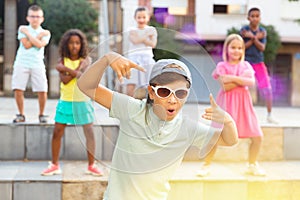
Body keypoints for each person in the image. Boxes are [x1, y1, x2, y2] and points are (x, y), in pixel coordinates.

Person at [77, 51, 238, 199]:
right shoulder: (132, 110)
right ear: (152, 92)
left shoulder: (187, 128)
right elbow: (85, 85)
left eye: (180, 93)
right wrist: (107, 58)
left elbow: (228, 140)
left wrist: (228, 121)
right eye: (164, 92)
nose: (173, 99)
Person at [197, 34, 266, 177]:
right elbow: (225, 86)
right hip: (226, 104)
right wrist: (241, 81)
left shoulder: (246, 65)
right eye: (233, 47)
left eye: (240, 48)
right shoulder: (222, 66)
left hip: (244, 105)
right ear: (226, 49)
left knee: (257, 136)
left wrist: (231, 78)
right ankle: (206, 165)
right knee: (215, 135)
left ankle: (252, 165)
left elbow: (251, 82)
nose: (236, 51)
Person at [41, 29, 102, 176]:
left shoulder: (86, 61)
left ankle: (91, 165)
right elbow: (65, 80)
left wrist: (67, 70)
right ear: (66, 45)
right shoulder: (62, 60)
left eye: (77, 43)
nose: (74, 46)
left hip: (83, 101)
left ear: (81, 45)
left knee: (89, 133)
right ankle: (55, 165)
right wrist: (75, 70)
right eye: (71, 43)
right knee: (57, 132)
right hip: (66, 101)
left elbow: (82, 78)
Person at [11, 4, 51, 123]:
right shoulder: (22, 28)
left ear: (42, 19)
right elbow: (27, 45)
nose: (35, 19)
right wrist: (37, 36)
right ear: (28, 18)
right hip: (21, 62)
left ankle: (42, 114)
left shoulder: (45, 33)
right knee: (18, 89)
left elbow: (39, 45)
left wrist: (30, 35)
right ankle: (21, 114)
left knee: (42, 89)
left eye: (38, 16)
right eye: (32, 16)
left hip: (37, 63)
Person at [240, 7, 277, 124]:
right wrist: (255, 38)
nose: (255, 18)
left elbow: (262, 48)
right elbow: (242, 47)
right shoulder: (244, 30)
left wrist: (252, 37)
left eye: (257, 16)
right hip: (246, 63)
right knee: (241, 89)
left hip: (259, 63)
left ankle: (269, 115)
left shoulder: (262, 31)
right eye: (252, 16)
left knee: (267, 89)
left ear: (260, 18)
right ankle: (241, 115)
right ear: (248, 18)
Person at [123, 6, 157, 97]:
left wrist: (140, 37)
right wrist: (146, 35)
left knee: (151, 84)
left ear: (148, 17)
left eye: (144, 17)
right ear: (135, 18)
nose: (141, 20)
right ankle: (128, 107)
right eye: (139, 17)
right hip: (133, 60)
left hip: (148, 60)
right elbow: (135, 41)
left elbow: (153, 44)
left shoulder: (152, 29)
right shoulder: (131, 29)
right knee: (130, 84)